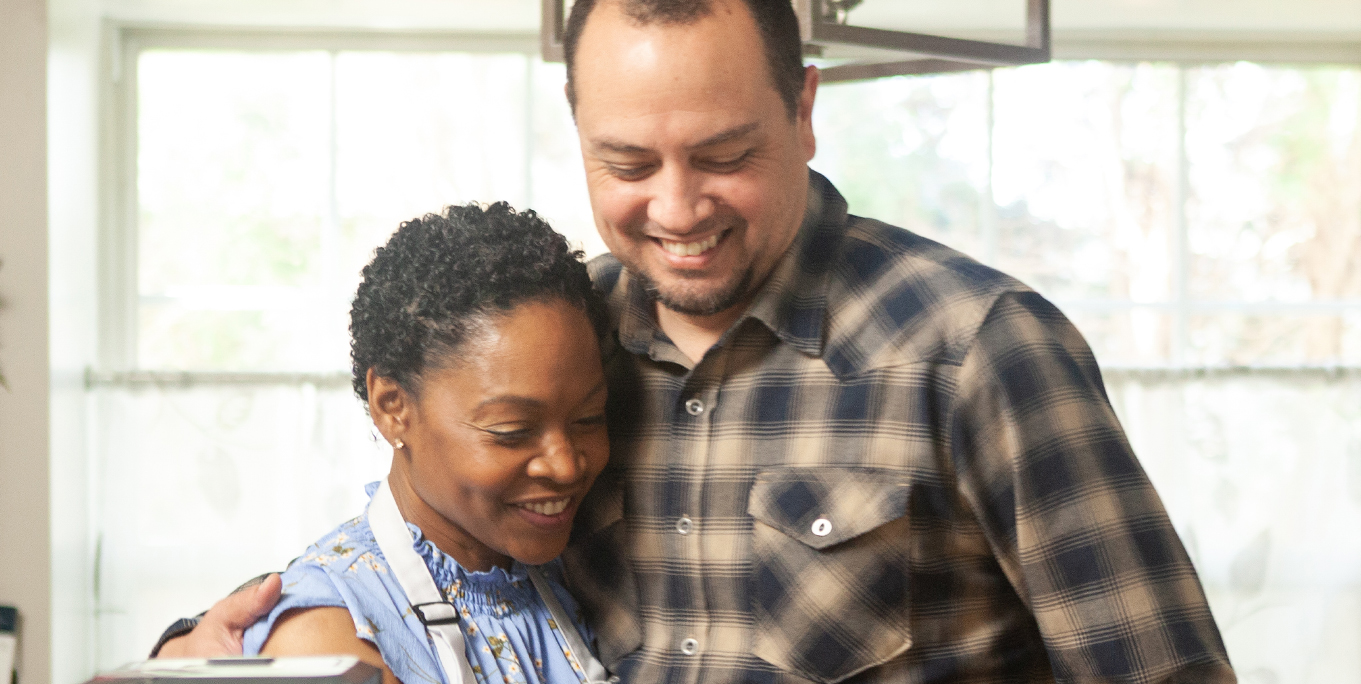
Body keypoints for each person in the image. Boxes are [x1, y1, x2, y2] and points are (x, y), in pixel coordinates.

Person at [158, 0, 1236, 681]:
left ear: (805, 110)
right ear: (576, 128)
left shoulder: (974, 350)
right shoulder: (557, 338)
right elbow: (425, 546)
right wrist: (203, 654)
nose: (676, 210)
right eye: (627, 164)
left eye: (724, 153)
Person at [229, 202, 613, 684]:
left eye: (588, 418)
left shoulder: (561, 574)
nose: (565, 466)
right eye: (511, 430)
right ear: (392, 406)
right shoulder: (326, 638)